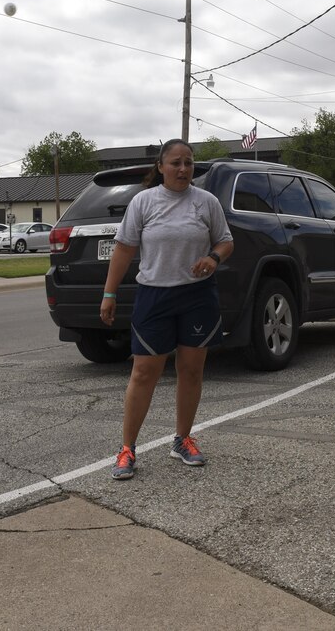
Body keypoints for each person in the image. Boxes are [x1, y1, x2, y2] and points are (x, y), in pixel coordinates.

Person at [101, 139, 234, 480]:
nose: (183, 169)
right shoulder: (144, 202)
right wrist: (110, 294)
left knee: (190, 370)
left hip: (197, 296)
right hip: (154, 296)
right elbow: (124, 249)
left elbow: (225, 240)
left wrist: (213, 258)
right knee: (144, 372)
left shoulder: (206, 202)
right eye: (175, 162)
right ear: (161, 166)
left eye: (188, 163)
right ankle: (127, 449)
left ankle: (182, 439)